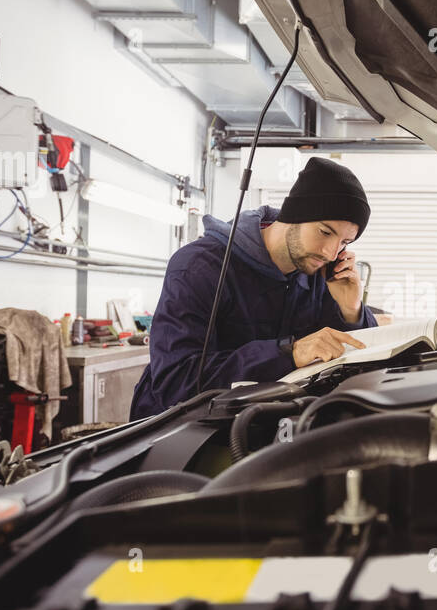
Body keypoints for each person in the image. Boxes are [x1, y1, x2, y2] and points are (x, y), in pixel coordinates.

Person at [130, 157, 377, 417]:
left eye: (344, 242)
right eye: (325, 232)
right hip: (176, 430)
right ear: (295, 216)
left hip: (258, 424)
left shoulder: (320, 273)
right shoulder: (199, 267)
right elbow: (176, 381)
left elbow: (360, 367)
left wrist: (352, 310)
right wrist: (288, 353)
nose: (330, 252)